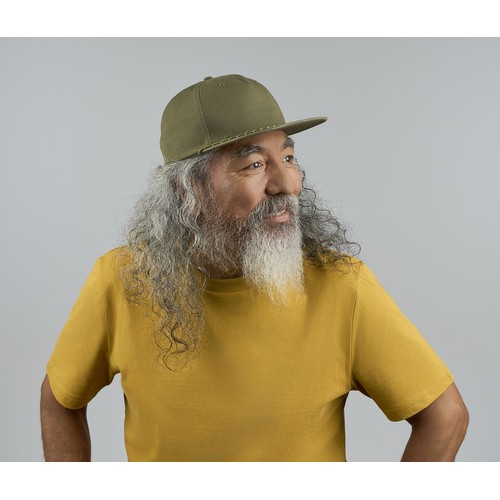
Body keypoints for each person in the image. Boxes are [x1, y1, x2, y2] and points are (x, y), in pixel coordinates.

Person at [40, 74, 468, 462]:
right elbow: (59, 401)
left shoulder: (342, 285)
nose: (288, 184)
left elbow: (445, 416)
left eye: (289, 157)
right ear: (188, 189)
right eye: (255, 165)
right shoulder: (120, 279)